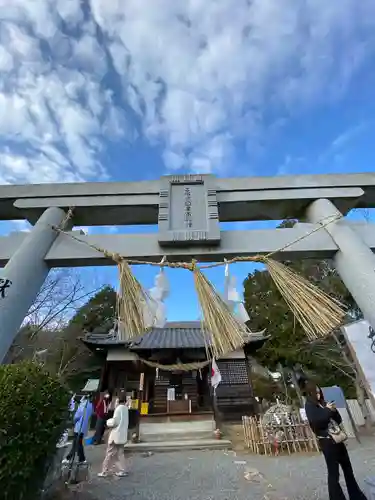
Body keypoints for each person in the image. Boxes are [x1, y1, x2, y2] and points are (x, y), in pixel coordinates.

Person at [304, 382, 367, 500]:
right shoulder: (310, 406)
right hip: (327, 442)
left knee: (348, 470)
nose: (318, 395)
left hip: (338, 440)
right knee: (334, 474)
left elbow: (338, 420)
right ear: (310, 393)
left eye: (319, 392)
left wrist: (333, 410)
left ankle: (356, 496)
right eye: (315, 393)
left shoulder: (323, 404)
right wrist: (327, 411)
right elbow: (318, 422)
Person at [98, 393, 129, 478]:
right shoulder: (126, 409)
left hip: (116, 434)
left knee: (109, 453)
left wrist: (108, 422)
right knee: (120, 453)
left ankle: (104, 471)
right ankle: (123, 470)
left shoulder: (118, 409)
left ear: (118, 400)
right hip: (122, 435)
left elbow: (114, 422)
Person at [63, 394, 94, 465]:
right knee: (78, 443)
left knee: (76, 443)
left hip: (79, 427)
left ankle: (68, 458)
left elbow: (77, 416)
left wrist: (73, 422)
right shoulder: (90, 405)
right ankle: (82, 459)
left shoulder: (83, 405)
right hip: (84, 427)